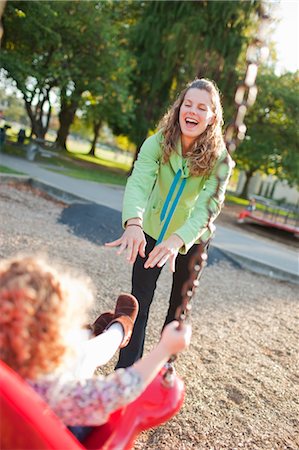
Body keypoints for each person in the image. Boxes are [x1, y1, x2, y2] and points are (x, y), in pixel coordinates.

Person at [106, 78, 234, 369]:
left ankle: (162, 369)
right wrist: (134, 223)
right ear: (179, 108)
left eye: (202, 107)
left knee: (178, 307)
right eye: (188, 104)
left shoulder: (220, 160)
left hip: (191, 238)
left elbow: (208, 206)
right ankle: (126, 369)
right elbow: (139, 181)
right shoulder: (158, 141)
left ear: (212, 117)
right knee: (139, 301)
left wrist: (179, 240)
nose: (193, 111)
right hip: (150, 231)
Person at [0, 255, 191, 442]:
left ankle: (106, 332)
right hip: (57, 435)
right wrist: (164, 349)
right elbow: (117, 390)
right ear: (51, 335)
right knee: (82, 355)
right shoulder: (56, 392)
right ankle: (118, 330)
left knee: (80, 353)